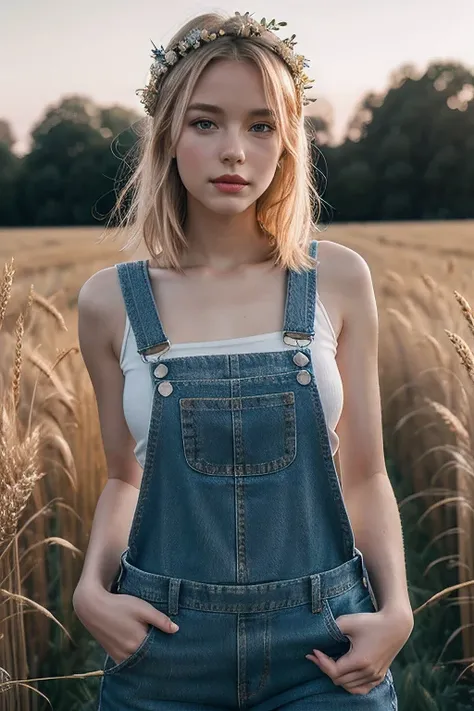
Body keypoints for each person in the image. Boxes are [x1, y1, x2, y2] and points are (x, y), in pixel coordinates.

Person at [72, 10, 413, 710]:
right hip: (164, 645)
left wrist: (398, 610)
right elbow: (122, 477)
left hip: (324, 642)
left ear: (288, 141)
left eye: (261, 125)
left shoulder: (338, 280)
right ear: (167, 134)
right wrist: (88, 591)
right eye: (206, 122)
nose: (235, 150)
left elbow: (367, 472)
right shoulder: (111, 302)